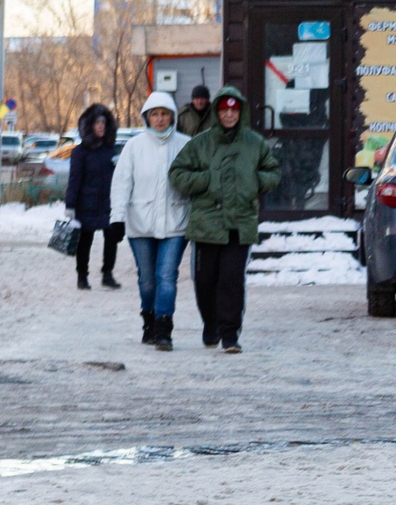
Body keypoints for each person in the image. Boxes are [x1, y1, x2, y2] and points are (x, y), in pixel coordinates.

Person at [167, 84, 280, 352]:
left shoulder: (254, 143)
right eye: (224, 110)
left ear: (240, 112)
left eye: (234, 110)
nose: (229, 115)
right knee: (205, 280)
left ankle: (230, 335)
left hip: (239, 223)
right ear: (217, 112)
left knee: (231, 279)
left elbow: (273, 172)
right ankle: (211, 323)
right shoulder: (201, 143)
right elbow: (177, 173)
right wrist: (205, 180)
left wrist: (254, 181)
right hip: (207, 222)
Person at [107, 89, 189, 348]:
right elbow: (121, 184)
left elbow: (196, 182)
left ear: (172, 117)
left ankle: (164, 328)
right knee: (147, 279)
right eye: (155, 114)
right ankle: (149, 321)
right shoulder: (134, 147)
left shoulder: (185, 145)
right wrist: (117, 218)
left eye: (165, 114)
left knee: (167, 276)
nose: (160, 119)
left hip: (175, 223)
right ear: (147, 117)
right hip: (140, 224)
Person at [62, 102, 124, 290]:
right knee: (85, 240)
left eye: (103, 123)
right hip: (86, 203)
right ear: (89, 125)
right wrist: (70, 205)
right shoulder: (80, 152)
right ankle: (82, 276)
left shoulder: (111, 150)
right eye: (97, 123)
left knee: (112, 238)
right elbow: (75, 179)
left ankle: (107, 274)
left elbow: (120, 177)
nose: (100, 126)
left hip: (108, 202)